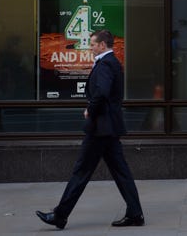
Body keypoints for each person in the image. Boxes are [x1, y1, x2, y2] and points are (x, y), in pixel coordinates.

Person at [36, 30, 144, 229]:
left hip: (100, 128)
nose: (90, 47)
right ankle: (135, 214)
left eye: (93, 44)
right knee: (121, 172)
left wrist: (90, 111)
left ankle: (60, 215)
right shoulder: (112, 63)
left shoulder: (105, 64)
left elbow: (101, 92)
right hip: (109, 128)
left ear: (102, 45)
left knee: (81, 171)